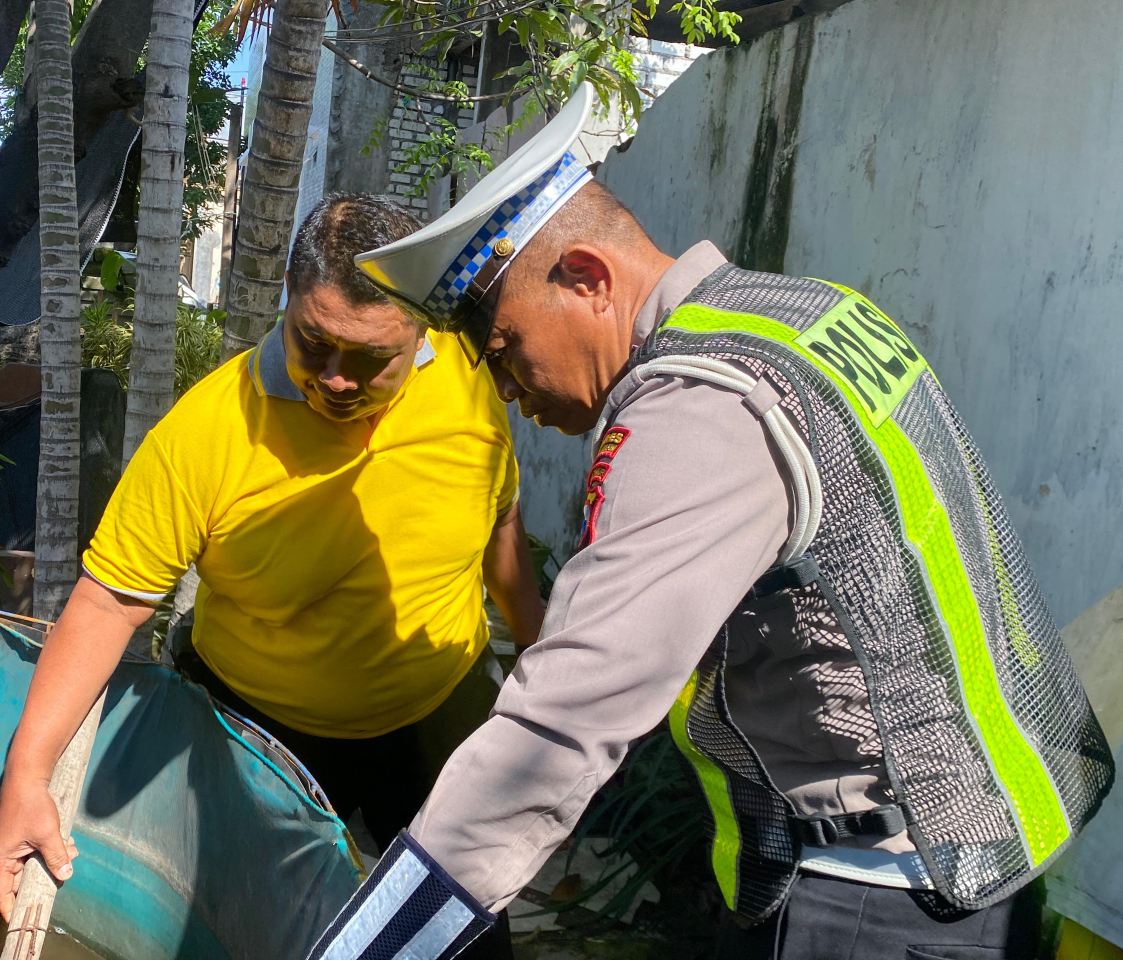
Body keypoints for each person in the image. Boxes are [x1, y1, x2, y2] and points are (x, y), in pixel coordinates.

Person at [301, 86, 1115, 960]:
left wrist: (367, 948)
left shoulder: (698, 407)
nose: (508, 391)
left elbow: (562, 723)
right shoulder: (805, 317)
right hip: (972, 862)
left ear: (586, 279)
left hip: (870, 909)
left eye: (505, 350)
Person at [0, 194, 543, 959]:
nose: (338, 380)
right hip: (259, 724)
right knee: (236, 927)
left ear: (422, 330)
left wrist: (542, 656)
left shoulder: (472, 383)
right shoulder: (209, 432)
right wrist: (28, 776)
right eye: (315, 343)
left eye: (371, 358)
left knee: (468, 929)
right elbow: (109, 604)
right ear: (287, 295)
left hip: (436, 712)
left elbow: (502, 523)